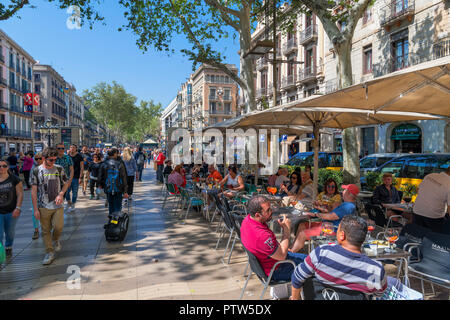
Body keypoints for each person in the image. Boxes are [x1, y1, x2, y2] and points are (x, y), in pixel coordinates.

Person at [290, 215, 387, 300]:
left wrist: (295, 298)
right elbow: (378, 294)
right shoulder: (376, 269)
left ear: (342, 235)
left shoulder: (322, 253)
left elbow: (297, 276)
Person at [240, 196, 307, 282]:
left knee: (312, 259)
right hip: (276, 269)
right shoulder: (261, 235)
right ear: (257, 215)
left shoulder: (247, 220)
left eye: (270, 208)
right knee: (314, 266)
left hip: (269, 262)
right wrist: (286, 230)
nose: (271, 211)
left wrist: (282, 248)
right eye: (268, 210)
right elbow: (282, 256)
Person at [290, 184, 359, 253]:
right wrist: (319, 208)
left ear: (349, 193)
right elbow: (331, 213)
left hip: (332, 229)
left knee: (303, 234)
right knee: (302, 225)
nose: (342, 191)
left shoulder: (348, 206)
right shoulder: (346, 204)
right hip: (327, 224)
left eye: (344, 190)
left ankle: (290, 253)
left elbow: (332, 216)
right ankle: (294, 248)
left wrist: (315, 214)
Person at [31, 147, 71, 265]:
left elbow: (66, 183)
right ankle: (49, 252)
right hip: (43, 206)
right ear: (43, 158)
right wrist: (35, 209)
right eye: (50, 160)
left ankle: (56, 239)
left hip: (58, 205)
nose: (53, 162)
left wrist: (61, 194)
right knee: (45, 230)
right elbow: (33, 191)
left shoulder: (59, 168)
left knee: (58, 227)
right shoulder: (36, 171)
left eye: (55, 159)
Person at [412, 166, 450, 233]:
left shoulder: (430, 175)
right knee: (433, 239)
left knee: (416, 235)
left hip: (417, 212)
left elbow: (418, 190)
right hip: (433, 217)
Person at [0, 159, 24, 258]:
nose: (1, 168)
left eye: (4, 166)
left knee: (10, 232)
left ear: (8, 167)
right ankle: (1, 254)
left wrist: (18, 208)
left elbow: (20, 193)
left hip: (12, 211)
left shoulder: (14, 179)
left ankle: (8, 246)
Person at [98, 148, 129, 215]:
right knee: (117, 206)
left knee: (111, 205)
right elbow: (124, 177)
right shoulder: (120, 164)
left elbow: (100, 177)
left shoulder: (104, 164)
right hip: (118, 188)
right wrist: (125, 191)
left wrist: (101, 186)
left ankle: (111, 219)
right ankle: (116, 221)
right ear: (115, 154)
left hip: (108, 187)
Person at [55, 143, 74, 211]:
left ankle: (59, 212)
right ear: (56, 149)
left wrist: (70, 180)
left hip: (64, 182)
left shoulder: (68, 158)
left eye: (62, 148)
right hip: (53, 181)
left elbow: (71, 170)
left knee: (62, 197)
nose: (61, 150)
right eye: (59, 148)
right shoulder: (52, 158)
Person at [66, 144, 84, 213]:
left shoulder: (79, 156)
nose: (72, 149)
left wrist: (80, 177)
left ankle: (73, 204)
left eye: (73, 147)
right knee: (66, 192)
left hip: (76, 177)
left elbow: (82, 167)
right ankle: (69, 202)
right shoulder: (67, 156)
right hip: (68, 177)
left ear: (76, 149)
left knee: (75, 192)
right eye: (71, 147)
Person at [30, 153, 43, 240]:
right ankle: (36, 230)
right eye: (36, 159)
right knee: (35, 212)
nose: (38, 160)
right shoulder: (33, 169)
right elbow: (31, 181)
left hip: (46, 194)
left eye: (40, 158)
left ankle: (47, 229)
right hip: (36, 193)